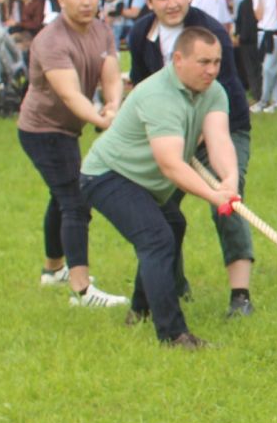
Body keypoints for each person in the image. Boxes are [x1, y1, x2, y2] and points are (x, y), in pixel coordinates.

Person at [80, 24, 238, 351]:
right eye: (203, 62)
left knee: (172, 225)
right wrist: (212, 195)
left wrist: (230, 180)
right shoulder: (158, 96)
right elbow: (171, 164)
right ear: (178, 59)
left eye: (217, 62)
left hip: (145, 181)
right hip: (108, 174)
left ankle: (140, 309)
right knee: (157, 237)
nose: (211, 71)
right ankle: (173, 335)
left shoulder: (214, 92)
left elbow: (219, 139)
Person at [128, 0, 259, 319]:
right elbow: (141, 88)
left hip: (222, 127)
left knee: (226, 199)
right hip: (169, 132)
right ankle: (171, 281)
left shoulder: (210, 32)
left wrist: (198, 138)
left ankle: (240, 295)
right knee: (161, 205)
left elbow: (225, 93)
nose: (172, 3)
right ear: (150, 1)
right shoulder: (140, 34)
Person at [15, 0, 128, 310]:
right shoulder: (51, 40)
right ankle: (81, 291)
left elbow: (110, 75)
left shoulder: (102, 30)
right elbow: (71, 95)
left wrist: (113, 105)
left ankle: (53, 270)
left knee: (61, 195)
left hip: (67, 129)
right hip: (42, 130)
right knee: (75, 200)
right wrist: (102, 120)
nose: (86, 2)